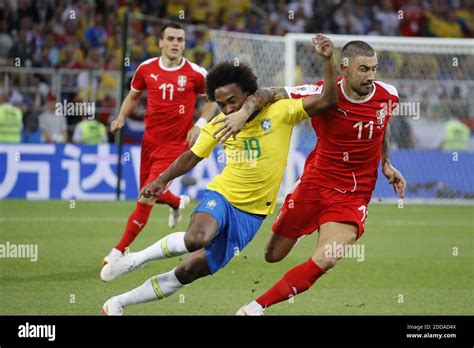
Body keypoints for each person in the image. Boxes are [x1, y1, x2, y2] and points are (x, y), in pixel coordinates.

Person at [100, 34, 338, 315]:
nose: (227, 109)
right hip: (222, 195)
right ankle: (136, 259)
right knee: (196, 238)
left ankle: (118, 303)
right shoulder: (219, 124)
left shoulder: (282, 111)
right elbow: (192, 156)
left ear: (249, 94)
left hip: (252, 214)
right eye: (221, 104)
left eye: (232, 102)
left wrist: (328, 60)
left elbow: (328, 100)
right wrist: (161, 181)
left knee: (188, 271)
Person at [212, 41, 407, 315]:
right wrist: (243, 113)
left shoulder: (389, 95)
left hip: (353, 194)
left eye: (374, 69)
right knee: (272, 255)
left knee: (326, 259)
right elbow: (268, 93)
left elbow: (382, 125)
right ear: (345, 69)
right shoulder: (321, 92)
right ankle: (307, 224)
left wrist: (386, 164)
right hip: (315, 184)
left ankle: (255, 308)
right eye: (363, 69)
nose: (371, 76)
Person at [102, 22, 218, 265]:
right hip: (149, 143)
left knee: (146, 195)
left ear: (184, 44)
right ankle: (178, 202)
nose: (176, 44)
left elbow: (212, 101)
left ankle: (119, 249)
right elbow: (133, 96)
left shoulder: (196, 73)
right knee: (148, 191)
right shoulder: (146, 69)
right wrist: (121, 116)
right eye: (171, 39)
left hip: (176, 146)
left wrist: (200, 124)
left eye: (180, 40)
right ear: (161, 43)